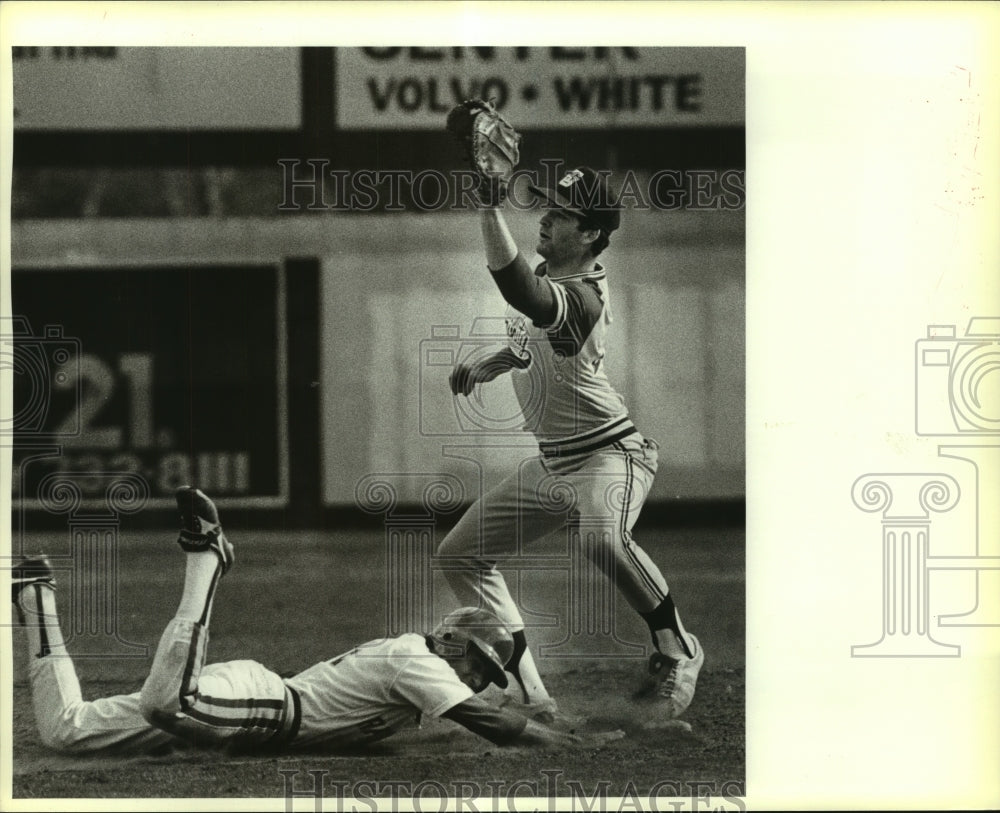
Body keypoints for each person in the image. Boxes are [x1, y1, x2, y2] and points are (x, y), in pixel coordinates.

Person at [10, 486, 612, 755]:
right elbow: (493, 724)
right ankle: (207, 563)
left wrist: (602, 727)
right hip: (265, 709)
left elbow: (495, 716)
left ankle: (33, 594)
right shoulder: (418, 661)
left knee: (67, 731)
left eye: (488, 673)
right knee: (162, 706)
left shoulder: (425, 670)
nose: (481, 679)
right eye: (480, 664)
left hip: (246, 711)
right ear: (452, 641)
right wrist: (572, 749)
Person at [438, 165, 704, 725]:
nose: (545, 217)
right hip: (554, 465)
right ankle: (530, 692)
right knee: (460, 554)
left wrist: (488, 206)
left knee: (601, 540)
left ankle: (677, 648)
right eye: (547, 207)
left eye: (561, 214)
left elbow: (521, 291)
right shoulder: (549, 278)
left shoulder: (581, 296)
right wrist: (502, 358)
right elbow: (535, 333)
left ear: (589, 234)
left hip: (611, 454)